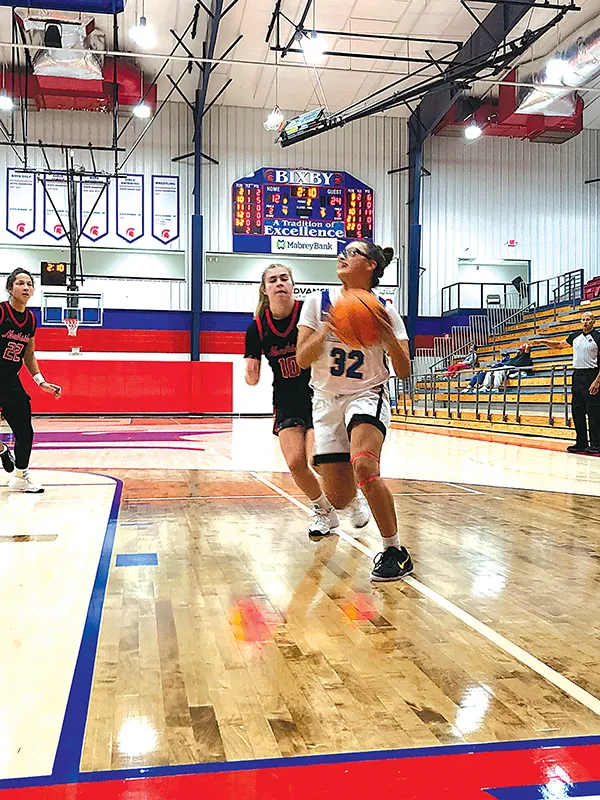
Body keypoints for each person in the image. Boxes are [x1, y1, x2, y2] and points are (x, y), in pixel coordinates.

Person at [296, 242, 414, 582]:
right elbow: (302, 358)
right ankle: (351, 504)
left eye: (353, 252)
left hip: (367, 393)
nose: (343, 256)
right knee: (340, 495)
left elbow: (404, 371)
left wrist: (388, 339)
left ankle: (394, 549)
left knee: (364, 464)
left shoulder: (384, 310)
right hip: (326, 400)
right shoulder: (318, 303)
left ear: (372, 266)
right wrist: (328, 330)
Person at [244, 263, 370, 540]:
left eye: (284, 278)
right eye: (273, 280)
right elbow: (251, 378)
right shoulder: (257, 328)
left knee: (318, 460)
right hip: (286, 399)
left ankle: (353, 497)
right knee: (295, 463)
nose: (279, 283)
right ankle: (323, 510)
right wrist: (250, 370)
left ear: (292, 285)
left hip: (317, 394)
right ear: (264, 289)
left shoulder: (308, 311)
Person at [0, 269, 62, 492]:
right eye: (19, 283)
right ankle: (2, 451)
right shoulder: (1, 311)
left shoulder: (30, 320)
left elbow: (29, 354)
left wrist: (41, 382)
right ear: (10, 288)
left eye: (29, 284)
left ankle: (20, 476)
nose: (25, 287)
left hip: (10, 380)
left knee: (25, 432)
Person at [535, 311, 600, 455]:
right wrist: (543, 341)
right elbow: (559, 345)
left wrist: (597, 380)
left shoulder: (597, 337)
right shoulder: (575, 336)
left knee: (594, 411)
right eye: (583, 319)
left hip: (592, 374)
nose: (585, 322)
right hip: (577, 375)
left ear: (593, 321)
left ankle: (596, 443)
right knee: (577, 410)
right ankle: (581, 442)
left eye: (588, 320)